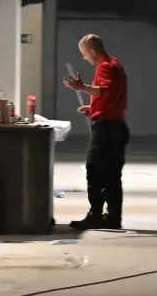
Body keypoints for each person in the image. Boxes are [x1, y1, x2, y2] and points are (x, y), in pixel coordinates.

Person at [62, 34, 129, 230]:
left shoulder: (105, 67)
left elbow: (105, 91)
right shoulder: (115, 64)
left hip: (106, 129)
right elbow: (112, 97)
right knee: (112, 175)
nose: (84, 58)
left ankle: (96, 215)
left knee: (95, 170)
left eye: (84, 54)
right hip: (116, 125)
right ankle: (114, 217)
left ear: (93, 51)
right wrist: (93, 110)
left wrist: (81, 87)